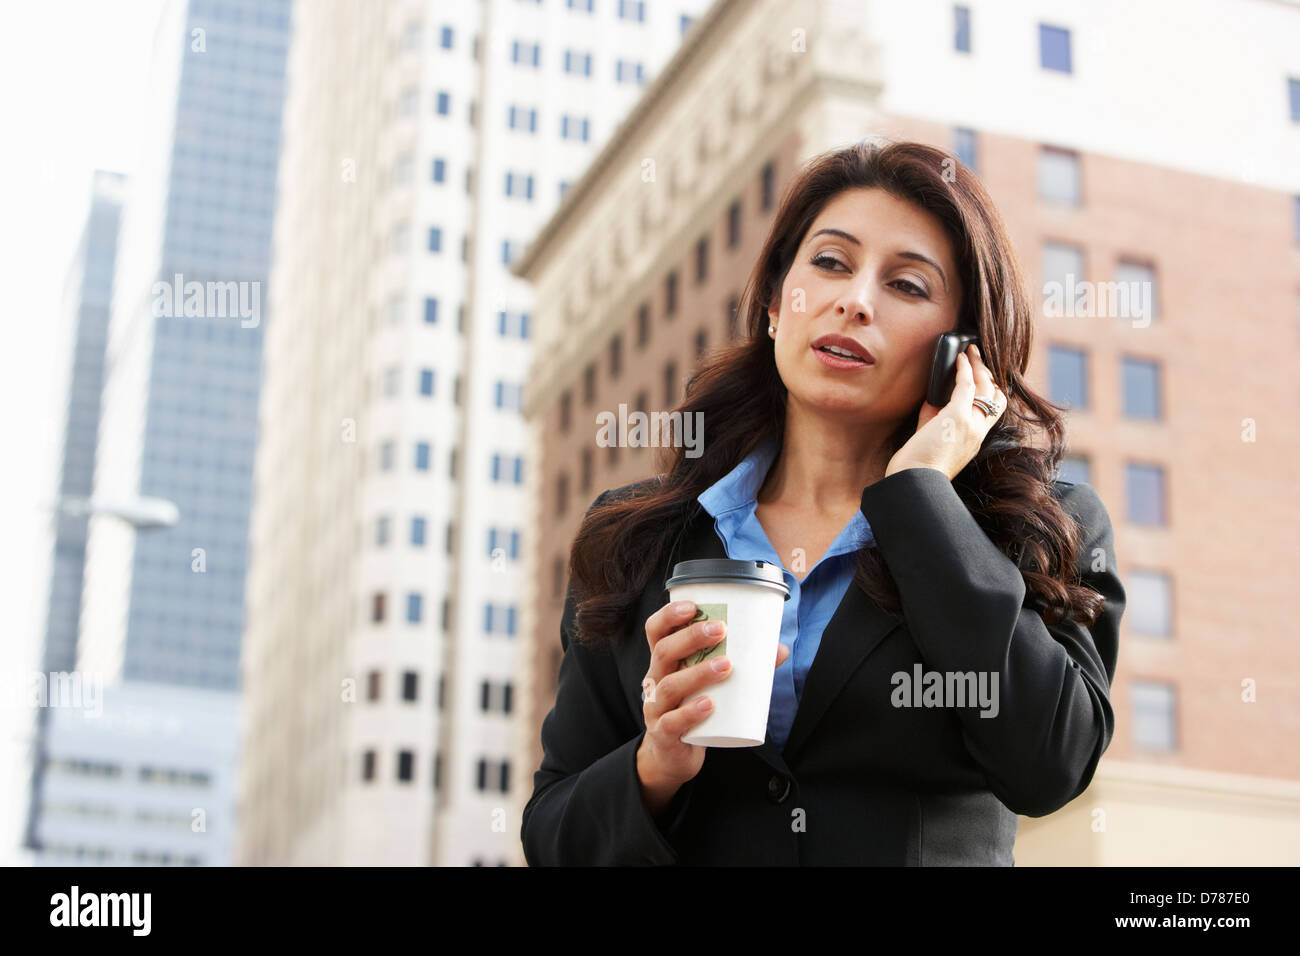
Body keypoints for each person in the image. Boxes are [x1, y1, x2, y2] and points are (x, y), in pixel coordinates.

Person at [521, 138, 1125, 866]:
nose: (854, 301)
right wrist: (655, 766)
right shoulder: (637, 539)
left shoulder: (1037, 530)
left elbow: (1050, 764)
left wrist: (922, 500)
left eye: (906, 285)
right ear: (777, 305)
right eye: (831, 263)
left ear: (959, 352)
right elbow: (553, 837)